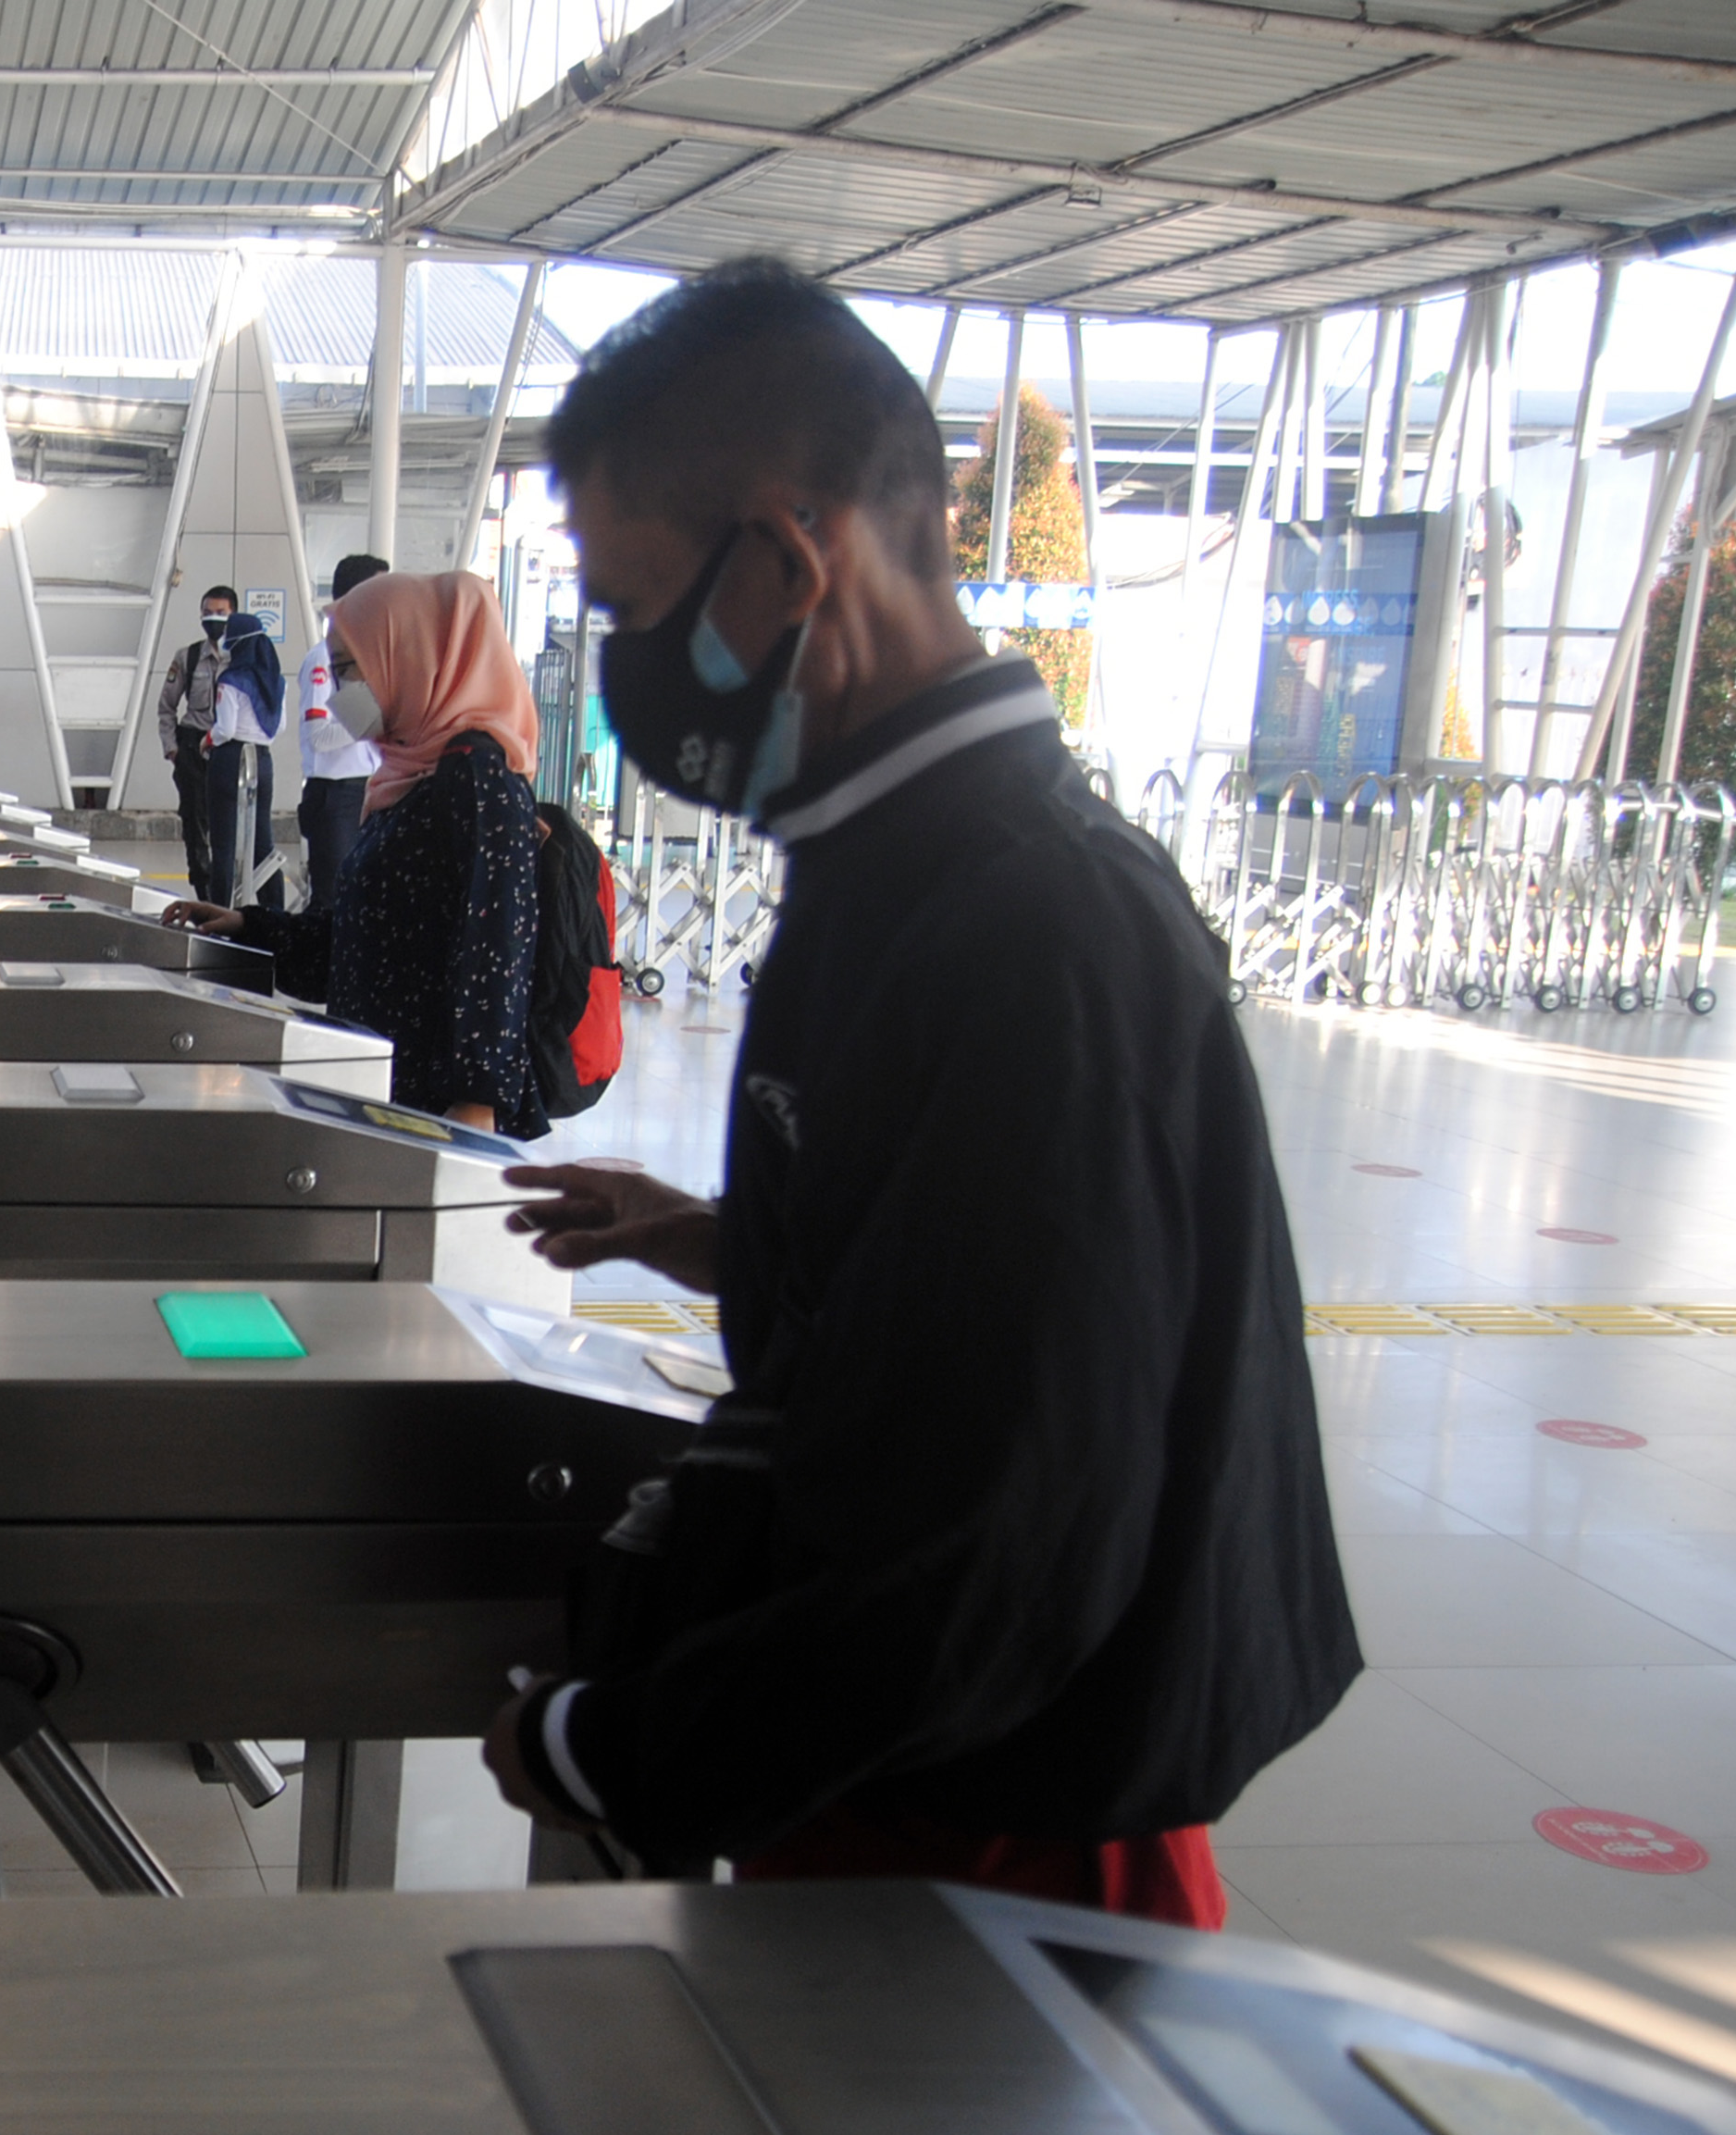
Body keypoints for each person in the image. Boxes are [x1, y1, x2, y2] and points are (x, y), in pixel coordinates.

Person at [484, 258, 1359, 1929]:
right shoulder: (890, 864)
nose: (623, 664)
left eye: (630, 603)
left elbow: (1003, 1544)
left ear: (791, 549)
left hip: (1008, 1826)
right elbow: (984, 1283)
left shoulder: (1037, 923)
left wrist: (617, 1749)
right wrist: (737, 1240)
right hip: (903, 1768)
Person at [164, 571, 552, 1136]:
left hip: (434, 1110)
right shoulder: (405, 774)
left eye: (349, 670)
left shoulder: (476, 776)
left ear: (409, 655)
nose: (341, 691)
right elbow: (367, 938)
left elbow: (498, 952)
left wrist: (477, 1107)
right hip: (379, 1080)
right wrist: (251, 925)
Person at [297, 552, 389, 903]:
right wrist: (371, 717)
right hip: (335, 796)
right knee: (332, 898)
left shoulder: (367, 658)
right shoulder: (325, 658)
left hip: (362, 790)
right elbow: (318, 736)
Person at [155, 585, 233, 898]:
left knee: (228, 826)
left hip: (228, 748)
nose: (213, 618)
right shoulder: (187, 657)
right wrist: (172, 749)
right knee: (195, 825)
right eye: (208, 612)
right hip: (192, 747)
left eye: (221, 613)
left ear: (234, 616)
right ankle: (203, 891)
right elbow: (166, 706)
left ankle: (228, 892)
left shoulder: (241, 657)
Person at [204, 606, 286, 907]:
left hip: (230, 760)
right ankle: (273, 908)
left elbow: (224, 728)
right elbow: (281, 726)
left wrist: (207, 739)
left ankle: (219, 910)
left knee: (224, 843)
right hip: (262, 760)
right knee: (262, 841)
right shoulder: (276, 682)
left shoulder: (231, 679)